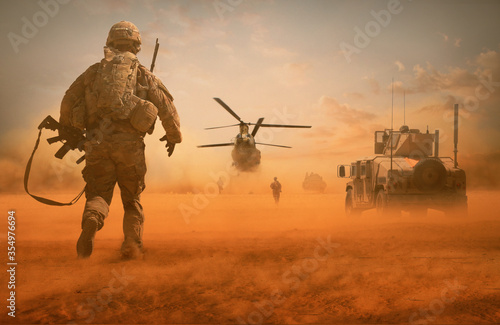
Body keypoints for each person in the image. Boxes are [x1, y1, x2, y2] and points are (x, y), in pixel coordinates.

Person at [59, 21, 182, 259]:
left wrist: (69, 130)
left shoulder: (92, 72)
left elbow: (68, 100)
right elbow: (167, 108)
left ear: (110, 43)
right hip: (130, 146)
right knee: (131, 199)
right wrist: (173, 136)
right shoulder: (144, 74)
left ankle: (93, 219)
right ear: (136, 45)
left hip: (97, 142)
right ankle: (131, 246)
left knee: (99, 194)